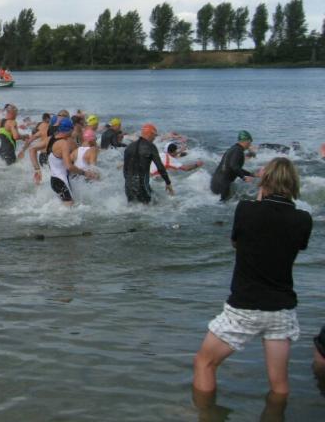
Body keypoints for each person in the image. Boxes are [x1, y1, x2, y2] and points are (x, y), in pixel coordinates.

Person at [192, 157, 312, 397]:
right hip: (281, 309)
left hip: (245, 306)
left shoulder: (246, 209)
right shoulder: (303, 219)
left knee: (205, 363)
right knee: (279, 383)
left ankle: (206, 412)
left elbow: (237, 243)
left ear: (265, 181)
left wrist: (260, 196)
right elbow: (294, 246)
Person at [122, 123, 173, 203]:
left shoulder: (129, 147)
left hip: (128, 185)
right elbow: (160, 167)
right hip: (142, 185)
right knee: (155, 205)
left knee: (133, 207)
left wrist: (129, 183)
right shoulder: (151, 147)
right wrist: (168, 182)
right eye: (154, 136)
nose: (154, 138)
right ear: (150, 134)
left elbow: (125, 169)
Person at [210, 131, 256, 201]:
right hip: (223, 184)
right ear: (247, 141)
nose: (250, 144)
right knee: (223, 203)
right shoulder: (238, 151)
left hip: (215, 181)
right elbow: (234, 166)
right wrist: (243, 177)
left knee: (218, 202)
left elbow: (234, 167)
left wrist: (251, 174)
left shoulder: (233, 149)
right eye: (250, 142)